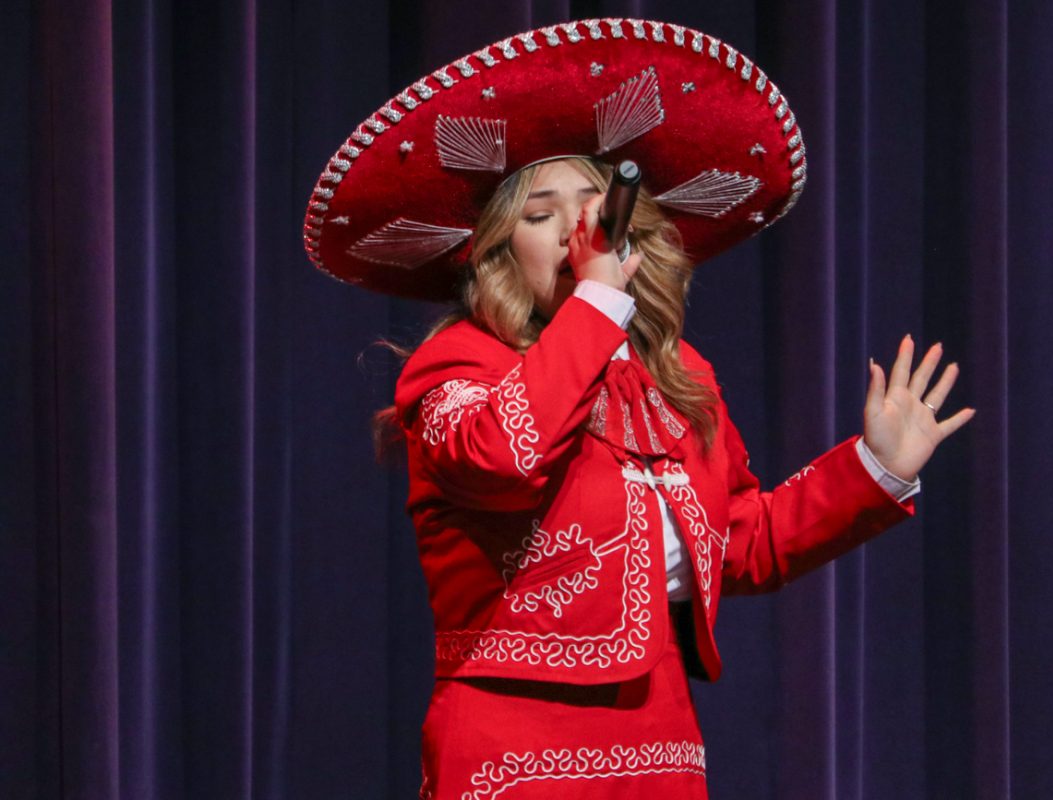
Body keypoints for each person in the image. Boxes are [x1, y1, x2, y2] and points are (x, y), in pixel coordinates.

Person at [303, 19, 973, 799]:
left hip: (659, 735)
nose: (579, 229)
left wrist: (873, 470)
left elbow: (737, 547)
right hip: (510, 738)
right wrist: (595, 302)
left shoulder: (677, 373)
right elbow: (503, 459)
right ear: (495, 249)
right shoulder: (457, 363)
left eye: (594, 205)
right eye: (540, 213)